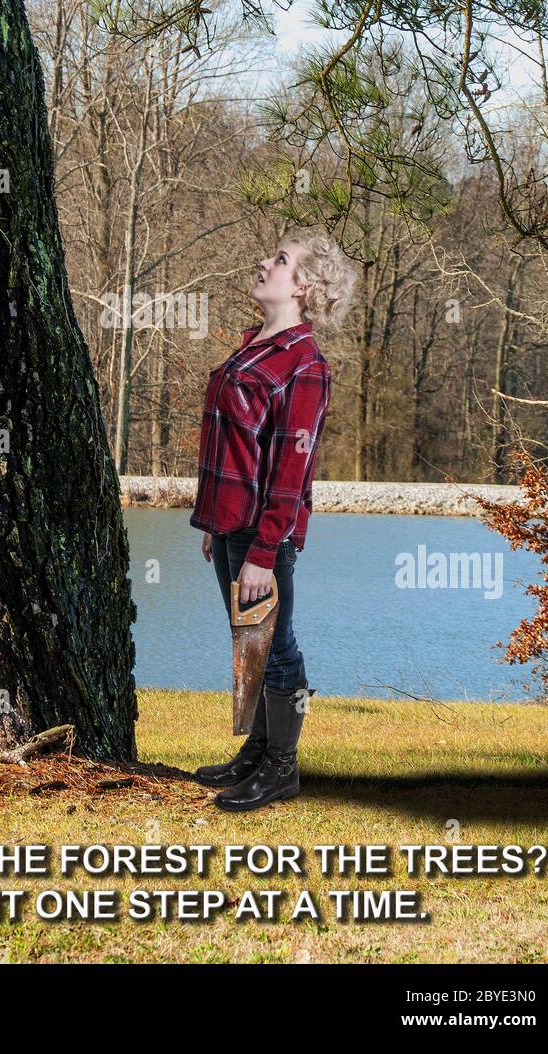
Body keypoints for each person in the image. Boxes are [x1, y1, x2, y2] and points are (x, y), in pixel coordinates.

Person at [189, 229, 357, 811]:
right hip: (230, 521)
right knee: (249, 638)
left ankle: (282, 771)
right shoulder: (252, 346)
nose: (264, 263)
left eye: (280, 261)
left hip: (266, 532)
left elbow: (292, 470)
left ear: (304, 287)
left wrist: (264, 551)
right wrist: (214, 520)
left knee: (276, 645)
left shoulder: (304, 365)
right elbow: (232, 445)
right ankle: (256, 753)